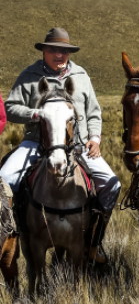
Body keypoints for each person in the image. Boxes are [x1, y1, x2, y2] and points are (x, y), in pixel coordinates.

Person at [0, 27, 121, 263]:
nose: (59, 55)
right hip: (36, 142)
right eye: (54, 50)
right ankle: (12, 234)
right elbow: (11, 108)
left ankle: (94, 242)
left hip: (79, 145)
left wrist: (94, 139)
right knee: (4, 178)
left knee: (112, 184)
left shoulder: (81, 76)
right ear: (44, 51)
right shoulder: (29, 75)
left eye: (64, 51)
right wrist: (35, 114)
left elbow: (94, 112)